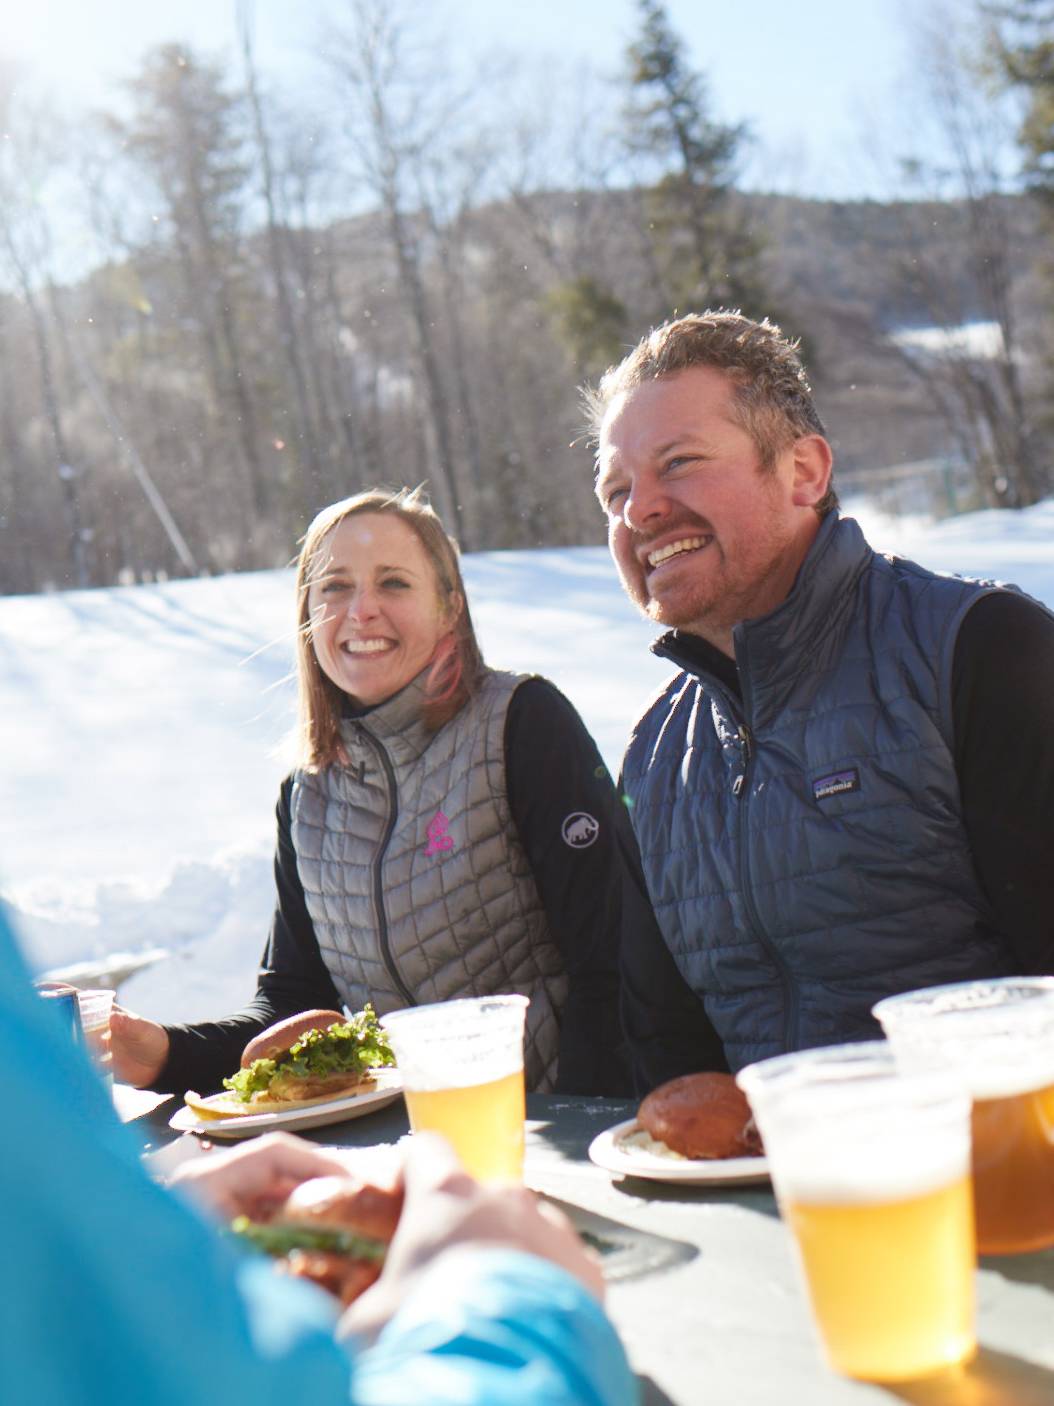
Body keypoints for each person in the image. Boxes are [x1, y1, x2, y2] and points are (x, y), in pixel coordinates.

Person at [589, 309, 1054, 1080]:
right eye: (614, 492)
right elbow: (668, 1052)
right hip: (779, 1190)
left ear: (804, 471)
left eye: (679, 462)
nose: (639, 510)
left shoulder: (977, 649)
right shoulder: (652, 758)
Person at [112, 487, 649, 1097]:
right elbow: (292, 1010)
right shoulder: (306, 798)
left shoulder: (523, 724)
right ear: (308, 614)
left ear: (450, 607)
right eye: (336, 586)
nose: (362, 609)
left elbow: (614, 960)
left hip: (553, 1134)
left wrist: (572, 1132)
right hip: (412, 1151)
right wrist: (163, 1055)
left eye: (394, 583)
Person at [3, 903, 637, 1405]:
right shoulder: (304, 794)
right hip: (477, 1220)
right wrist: (515, 1299)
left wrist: (142, 1228)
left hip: (554, 1127)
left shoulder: (518, 736)